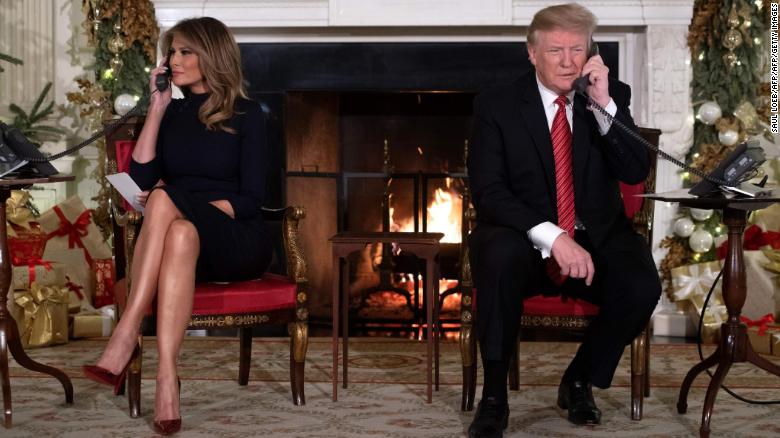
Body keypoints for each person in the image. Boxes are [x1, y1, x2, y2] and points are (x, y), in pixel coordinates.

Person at [466, 3, 661, 437]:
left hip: (598, 236)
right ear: (532, 53)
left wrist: (604, 103)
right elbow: (489, 192)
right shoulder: (495, 106)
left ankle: (578, 378)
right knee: (495, 255)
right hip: (523, 238)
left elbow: (634, 172)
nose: (568, 60)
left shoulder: (609, 96)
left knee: (642, 283)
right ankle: (494, 396)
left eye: (577, 49)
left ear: (590, 52)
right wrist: (554, 237)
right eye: (556, 50)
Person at [83, 17, 272, 435]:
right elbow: (143, 178)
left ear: (213, 54)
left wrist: (187, 205)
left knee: (170, 203)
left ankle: (128, 330)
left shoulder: (248, 114)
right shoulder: (172, 112)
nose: (174, 59)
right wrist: (157, 108)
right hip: (181, 239)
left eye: (186, 51)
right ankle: (167, 380)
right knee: (180, 229)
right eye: (172, 52)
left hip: (237, 240)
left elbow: (250, 200)